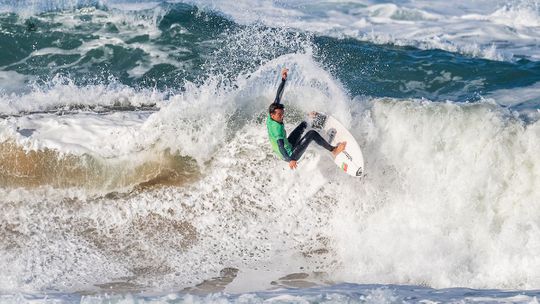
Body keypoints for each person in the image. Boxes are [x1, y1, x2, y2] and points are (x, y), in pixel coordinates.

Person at [266, 68, 346, 169]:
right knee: (311, 134)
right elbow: (281, 146)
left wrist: (283, 79)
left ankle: (319, 130)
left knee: (304, 124)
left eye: (282, 113)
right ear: (273, 115)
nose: (282, 116)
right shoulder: (276, 129)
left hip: (288, 145)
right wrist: (290, 160)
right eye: (279, 115)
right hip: (290, 155)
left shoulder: (271, 115)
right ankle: (333, 150)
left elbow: (278, 96)